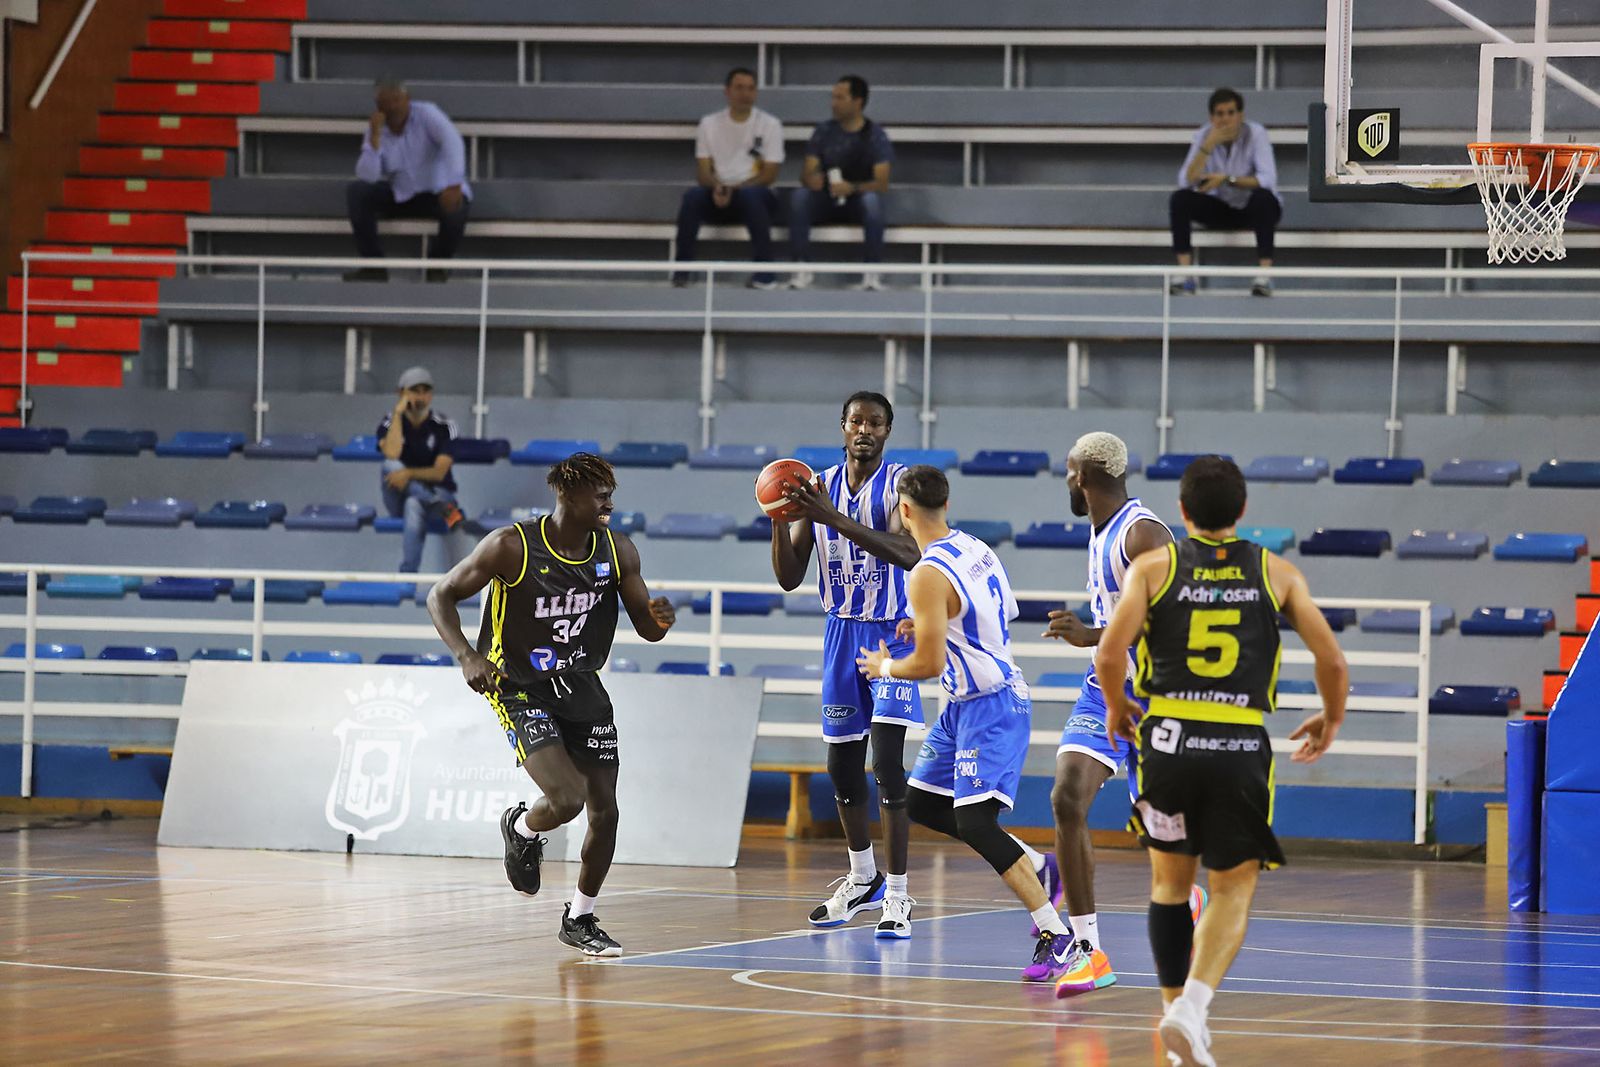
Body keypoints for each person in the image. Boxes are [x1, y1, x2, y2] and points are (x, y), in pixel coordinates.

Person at [1095, 455, 1347, 1066]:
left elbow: (1109, 652)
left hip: (1169, 740)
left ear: (1182, 511)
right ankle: (1192, 1010)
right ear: (1242, 512)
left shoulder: (1155, 566)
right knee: (1232, 889)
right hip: (1238, 745)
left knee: (1168, 887)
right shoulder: (1276, 572)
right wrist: (1330, 716)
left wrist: (1116, 709)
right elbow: (1332, 661)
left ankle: (1175, 1019)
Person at [425, 452, 677, 958]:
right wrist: (466, 655)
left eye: (611, 492)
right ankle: (520, 827)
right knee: (567, 801)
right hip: (518, 685)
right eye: (599, 493)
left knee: (605, 812)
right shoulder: (511, 546)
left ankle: (580, 919)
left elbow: (648, 631)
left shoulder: (617, 549)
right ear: (567, 495)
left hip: (581, 683)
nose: (609, 501)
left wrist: (659, 619)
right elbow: (441, 594)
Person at [855, 465, 1075, 981]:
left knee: (976, 822)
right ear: (944, 505)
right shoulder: (975, 547)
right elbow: (995, 614)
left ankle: (1055, 933)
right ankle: (1038, 865)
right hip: (963, 705)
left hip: (991, 705)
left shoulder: (925, 574)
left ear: (903, 511)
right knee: (926, 803)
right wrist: (936, 624)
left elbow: (926, 665)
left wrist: (884, 666)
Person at [1039, 431, 1188, 998]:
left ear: (1082, 475)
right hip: (1104, 685)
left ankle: (1187, 891)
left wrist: (1092, 634)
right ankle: (1088, 949)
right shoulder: (1101, 529)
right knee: (1065, 796)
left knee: (1161, 827)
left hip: (1155, 689)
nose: (1067, 482)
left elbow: (1172, 620)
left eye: (1069, 472)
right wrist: (1097, 642)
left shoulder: (1141, 532)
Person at [770, 391, 923, 938]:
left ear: (887, 431)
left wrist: (830, 517)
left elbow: (911, 554)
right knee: (840, 766)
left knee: (886, 762)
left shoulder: (902, 485)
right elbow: (789, 577)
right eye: (856, 420)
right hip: (840, 632)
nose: (864, 429)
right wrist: (778, 516)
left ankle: (900, 895)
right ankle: (863, 878)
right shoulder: (819, 487)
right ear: (842, 426)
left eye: (875, 422)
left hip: (892, 637)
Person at [345, 78, 471, 282]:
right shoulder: (376, 129)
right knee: (357, 192)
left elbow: (453, 142)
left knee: (457, 207)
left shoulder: (427, 114)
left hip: (436, 191)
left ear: (407, 99)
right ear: (379, 106)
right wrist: (374, 142)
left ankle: (437, 268)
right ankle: (374, 267)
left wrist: (454, 182)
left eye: (396, 100)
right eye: (385, 103)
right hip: (401, 194)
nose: (392, 107)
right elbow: (368, 176)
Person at [673, 68, 785, 290]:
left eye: (751, 88)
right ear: (727, 91)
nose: (745, 93)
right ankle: (682, 273)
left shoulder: (770, 124)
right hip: (719, 190)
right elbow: (703, 171)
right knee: (692, 197)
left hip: (754, 193)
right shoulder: (709, 124)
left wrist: (736, 189)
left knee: (752, 197)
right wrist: (718, 187)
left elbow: (770, 173)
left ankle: (765, 276)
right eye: (739, 87)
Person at [1170, 88, 1281, 298]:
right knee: (1180, 199)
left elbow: (1268, 180)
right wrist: (1208, 145)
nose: (1226, 119)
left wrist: (1227, 179)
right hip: (1219, 206)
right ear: (1212, 117)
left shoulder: (1256, 133)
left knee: (1264, 198)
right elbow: (1185, 180)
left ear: (1241, 115)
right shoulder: (1204, 135)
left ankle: (1264, 275)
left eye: (1231, 112)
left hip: (1251, 207)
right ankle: (1186, 275)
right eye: (1220, 114)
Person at [788, 75, 894, 291]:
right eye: (833, 97)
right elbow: (807, 172)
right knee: (800, 196)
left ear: (857, 102)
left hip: (858, 201)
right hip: (825, 199)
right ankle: (801, 266)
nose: (833, 103)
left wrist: (852, 188)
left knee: (872, 202)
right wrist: (812, 180)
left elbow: (881, 182)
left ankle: (871, 271)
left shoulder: (876, 135)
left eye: (840, 97)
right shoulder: (823, 131)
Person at [377, 366, 480, 573]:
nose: (421, 396)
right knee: (390, 465)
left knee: (414, 504)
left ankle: (408, 575)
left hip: (438, 495)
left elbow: (439, 472)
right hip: (399, 497)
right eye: (415, 390)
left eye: (425, 391)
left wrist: (408, 474)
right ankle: (439, 505)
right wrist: (398, 413)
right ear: (402, 393)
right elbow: (392, 454)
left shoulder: (445, 425)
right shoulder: (389, 422)